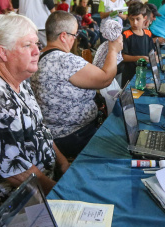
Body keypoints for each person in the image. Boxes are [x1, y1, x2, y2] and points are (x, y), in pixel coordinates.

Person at [0, 14, 69, 217]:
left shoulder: (18, 79)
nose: (37, 51)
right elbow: (15, 170)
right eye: (27, 45)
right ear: (3, 53)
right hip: (5, 197)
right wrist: (59, 193)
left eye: (36, 43)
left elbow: (40, 130)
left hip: (40, 182)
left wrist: (63, 163)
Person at [32, 11, 122, 157]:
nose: (75, 40)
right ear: (63, 36)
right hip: (73, 136)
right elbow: (105, 79)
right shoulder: (65, 61)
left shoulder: (38, 56)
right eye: (74, 35)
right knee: (120, 147)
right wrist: (113, 50)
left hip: (53, 135)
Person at [119, 0, 157, 85]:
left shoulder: (148, 33)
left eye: (138, 19)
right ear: (128, 18)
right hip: (129, 74)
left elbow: (152, 51)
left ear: (144, 18)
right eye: (132, 19)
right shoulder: (126, 34)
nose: (134, 23)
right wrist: (138, 58)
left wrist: (155, 57)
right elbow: (122, 56)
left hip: (144, 72)